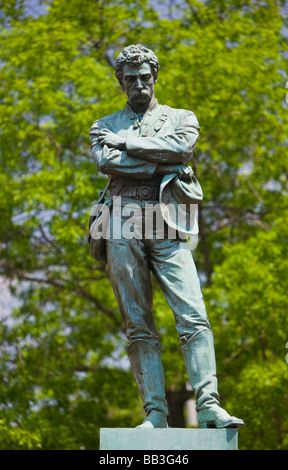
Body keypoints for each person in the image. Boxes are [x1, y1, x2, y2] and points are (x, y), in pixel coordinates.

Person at [89, 44, 244, 429]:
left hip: (166, 220)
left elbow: (183, 148)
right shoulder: (103, 125)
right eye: (130, 79)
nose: (139, 85)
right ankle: (155, 413)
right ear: (120, 81)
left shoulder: (180, 117)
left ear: (155, 76)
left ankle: (209, 405)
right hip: (121, 220)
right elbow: (106, 162)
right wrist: (158, 159)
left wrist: (127, 145)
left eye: (145, 77)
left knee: (193, 313)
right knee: (137, 324)